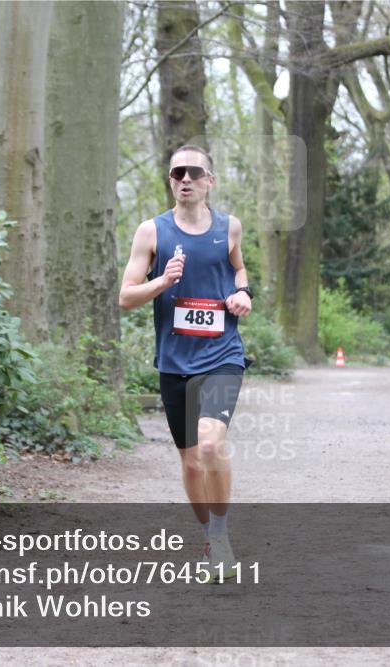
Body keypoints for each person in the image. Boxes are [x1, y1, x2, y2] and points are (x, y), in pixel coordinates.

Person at [118, 145, 253, 581]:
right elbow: (125, 298)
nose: (186, 179)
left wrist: (244, 294)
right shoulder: (151, 232)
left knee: (212, 443)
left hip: (223, 354)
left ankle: (222, 534)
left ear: (210, 181)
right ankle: (208, 539)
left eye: (195, 172)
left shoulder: (229, 227)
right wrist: (163, 280)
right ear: (171, 180)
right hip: (175, 362)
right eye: (178, 173)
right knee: (192, 462)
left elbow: (239, 269)